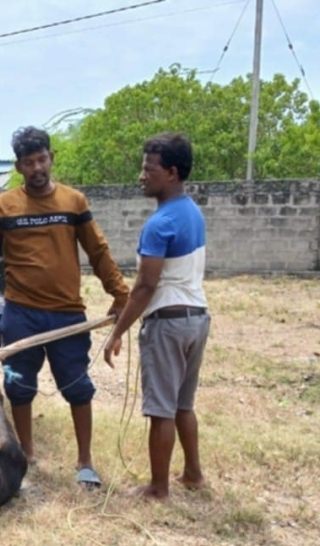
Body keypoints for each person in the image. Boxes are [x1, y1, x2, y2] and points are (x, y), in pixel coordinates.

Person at [0, 126, 129, 488]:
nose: (37, 168)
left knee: (78, 387)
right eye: (28, 162)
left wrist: (119, 293)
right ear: (18, 166)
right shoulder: (4, 206)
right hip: (21, 314)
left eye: (41, 159)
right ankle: (27, 456)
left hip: (67, 313)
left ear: (51, 158)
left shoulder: (74, 202)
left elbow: (98, 251)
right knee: (20, 387)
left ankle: (85, 462)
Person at [102, 133, 209, 500]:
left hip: (168, 322)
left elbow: (146, 287)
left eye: (150, 169)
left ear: (172, 173)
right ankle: (193, 473)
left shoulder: (160, 223)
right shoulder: (192, 211)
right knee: (182, 404)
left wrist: (117, 331)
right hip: (197, 317)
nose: (141, 176)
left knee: (161, 409)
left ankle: (158, 488)